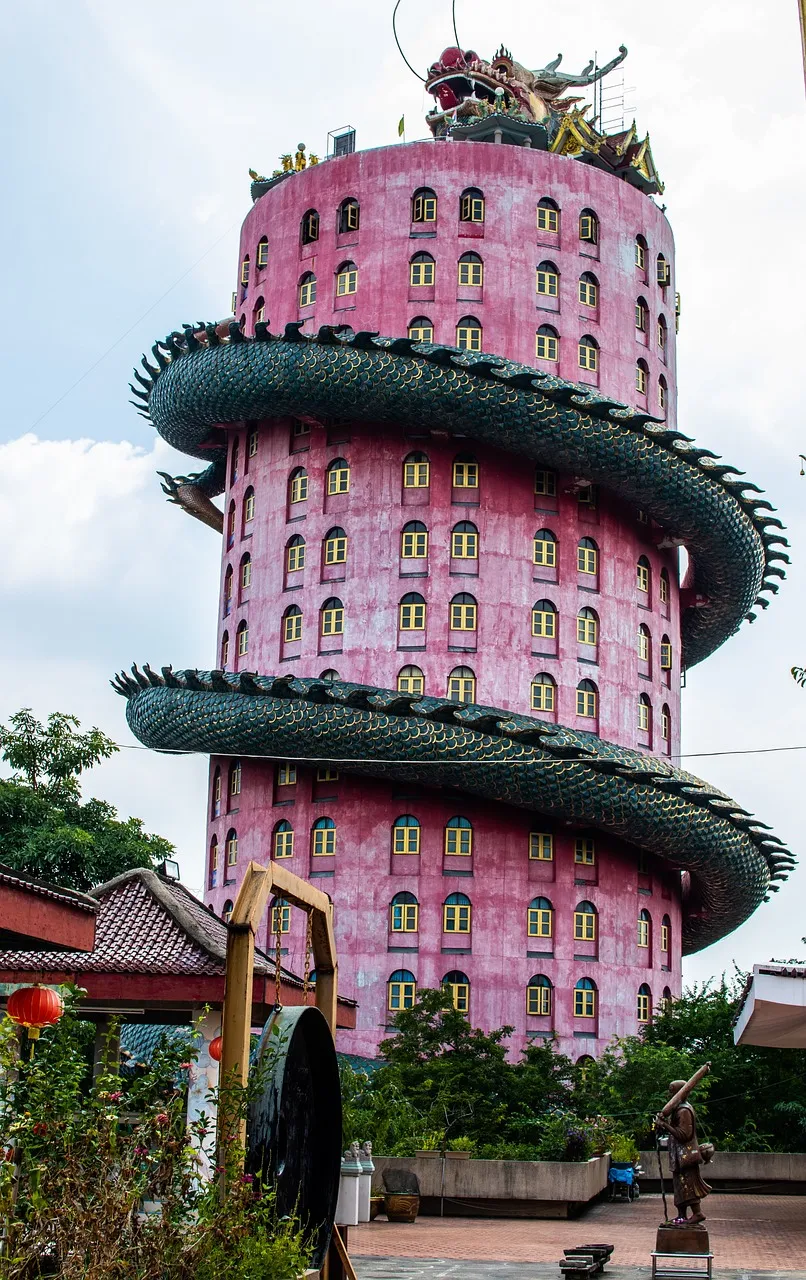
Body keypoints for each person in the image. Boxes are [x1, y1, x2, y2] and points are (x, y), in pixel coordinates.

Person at [655, 1079, 712, 1225]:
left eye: (671, 1090)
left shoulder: (684, 1110)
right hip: (679, 1157)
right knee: (680, 1187)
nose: (669, 1094)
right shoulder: (677, 1109)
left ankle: (698, 1213)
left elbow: (684, 1135)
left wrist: (665, 1126)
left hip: (686, 1156)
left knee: (688, 1186)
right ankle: (681, 1215)